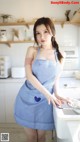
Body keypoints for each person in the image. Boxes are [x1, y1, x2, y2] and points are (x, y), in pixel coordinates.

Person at [14, 17, 67, 142]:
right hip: (27, 98)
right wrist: (49, 94)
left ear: (52, 33)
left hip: (45, 102)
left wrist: (58, 94)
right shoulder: (32, 51)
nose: (41, 36)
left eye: (45, 32)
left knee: (42, 136)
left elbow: (56, 78)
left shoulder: (61, 55)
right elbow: (29, 76)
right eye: (38, 33)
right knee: (32, 137)